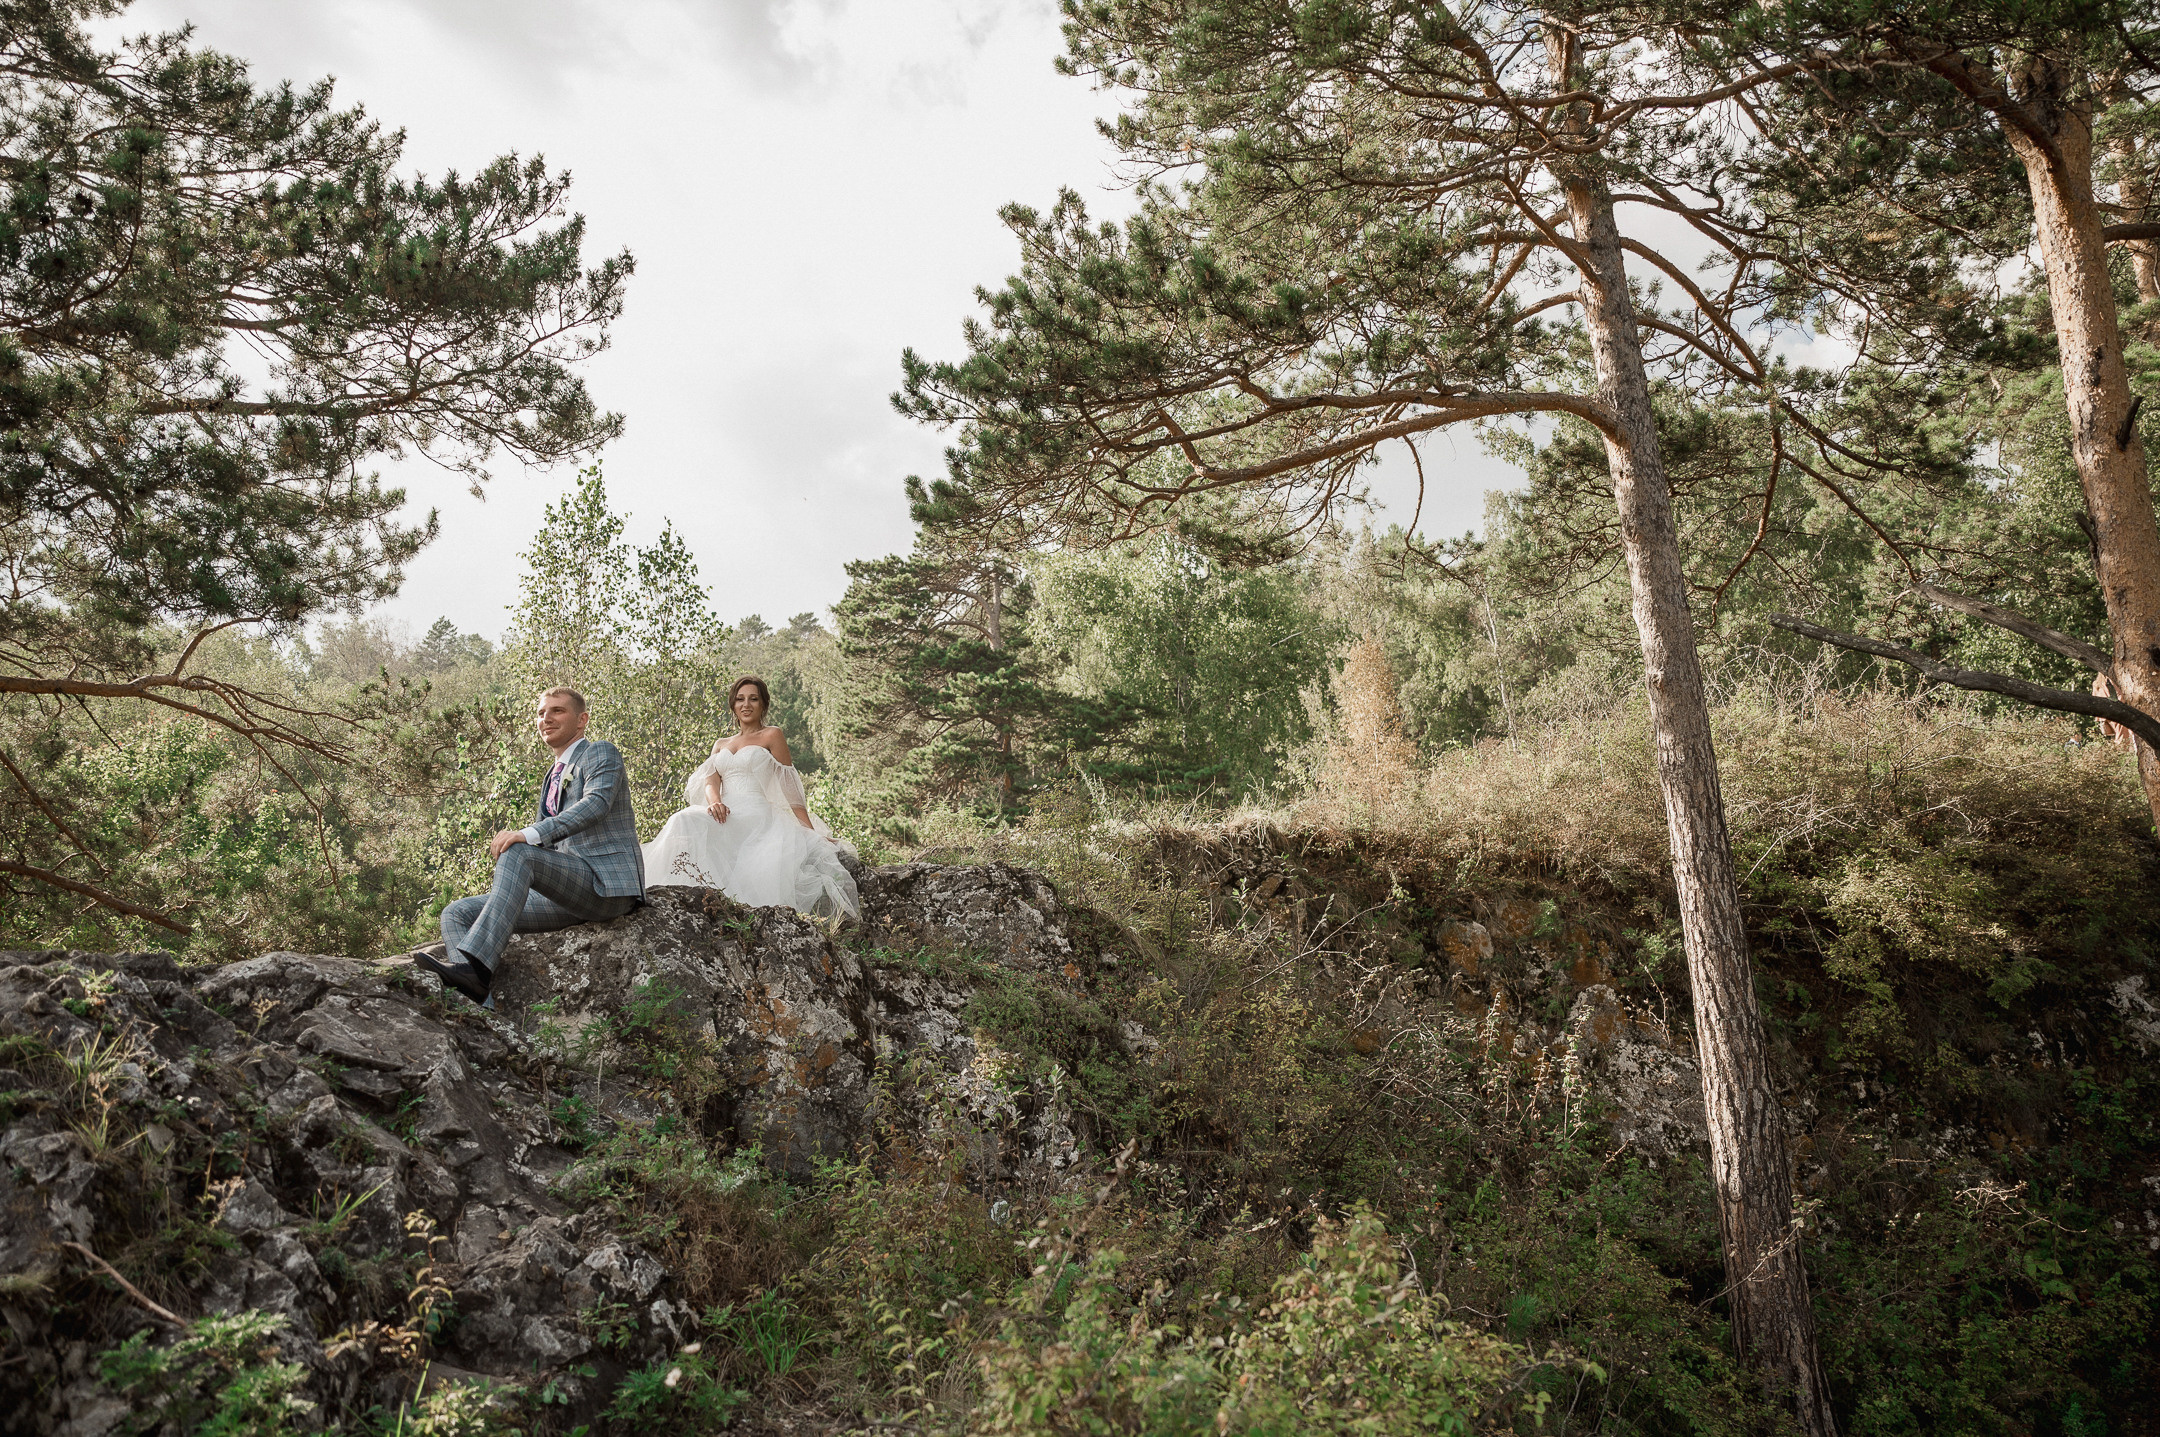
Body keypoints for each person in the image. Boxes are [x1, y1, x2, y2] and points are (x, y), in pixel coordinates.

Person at [414, 686, 645, 1008]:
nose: (546, 718)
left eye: (557, 711)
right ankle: (481, 1008)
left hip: (604, 885)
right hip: (565, 893)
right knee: (456, 913)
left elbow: (595, 805)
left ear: (582, 720)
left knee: (520, 850)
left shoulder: (600, 752)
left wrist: (529, 832)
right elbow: (549, 850)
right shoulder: (553, 774)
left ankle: (476, 967)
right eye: (541, 712)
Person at [641, 675, 860, 919]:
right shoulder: (721, 743)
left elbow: (789, 783)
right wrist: (715, 802)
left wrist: (810, 830)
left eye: (753, 699)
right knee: (682, 820)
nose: (746, 704)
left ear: (763, 705)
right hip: (724, 811)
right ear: (733, 705)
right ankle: (669, 900)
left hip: (756, 815)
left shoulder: (772, 735)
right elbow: (711, 780)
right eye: (740, 699)